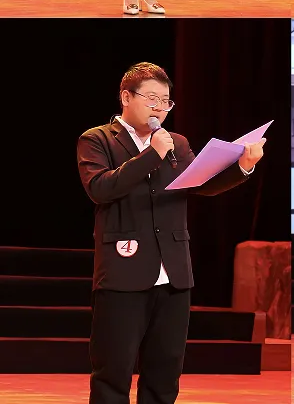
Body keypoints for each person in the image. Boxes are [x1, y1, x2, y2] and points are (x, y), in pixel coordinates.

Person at [77, 61, 266, 404]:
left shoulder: (176, 143)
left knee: (165, 373)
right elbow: (101, 188)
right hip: (123, 272)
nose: (159, 108)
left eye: (165, 101)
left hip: (174, 272)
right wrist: (153, 154)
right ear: (126, 97)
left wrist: (243, 166)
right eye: (151, 99)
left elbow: (200, 184)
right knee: (112, 372)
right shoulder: (97, 139)